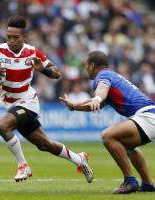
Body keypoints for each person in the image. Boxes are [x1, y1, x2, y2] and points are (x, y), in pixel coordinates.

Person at [0, 15, 93, 183]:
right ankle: (79, 159)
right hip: (12, 104)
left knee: (2, 126)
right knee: (44, 144)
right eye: (9, 37)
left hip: (28, 102)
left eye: (16, 37)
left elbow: (57, 73)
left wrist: (42, 69)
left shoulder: (32, 52)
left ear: (24, 37)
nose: (11, 40)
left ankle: (23, 166)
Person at [60, 50, 155, 194]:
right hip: (149, 115)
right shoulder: (111, 75)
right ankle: (148, 184)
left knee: (108, 136)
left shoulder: (102, 76)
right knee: (127, 146)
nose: (85, 69)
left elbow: (101, 91)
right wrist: (74, 106)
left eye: (86, 65)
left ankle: (130, 181)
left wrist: (97, 98)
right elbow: (97, 104)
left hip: (147, 116)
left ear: (92, 65)